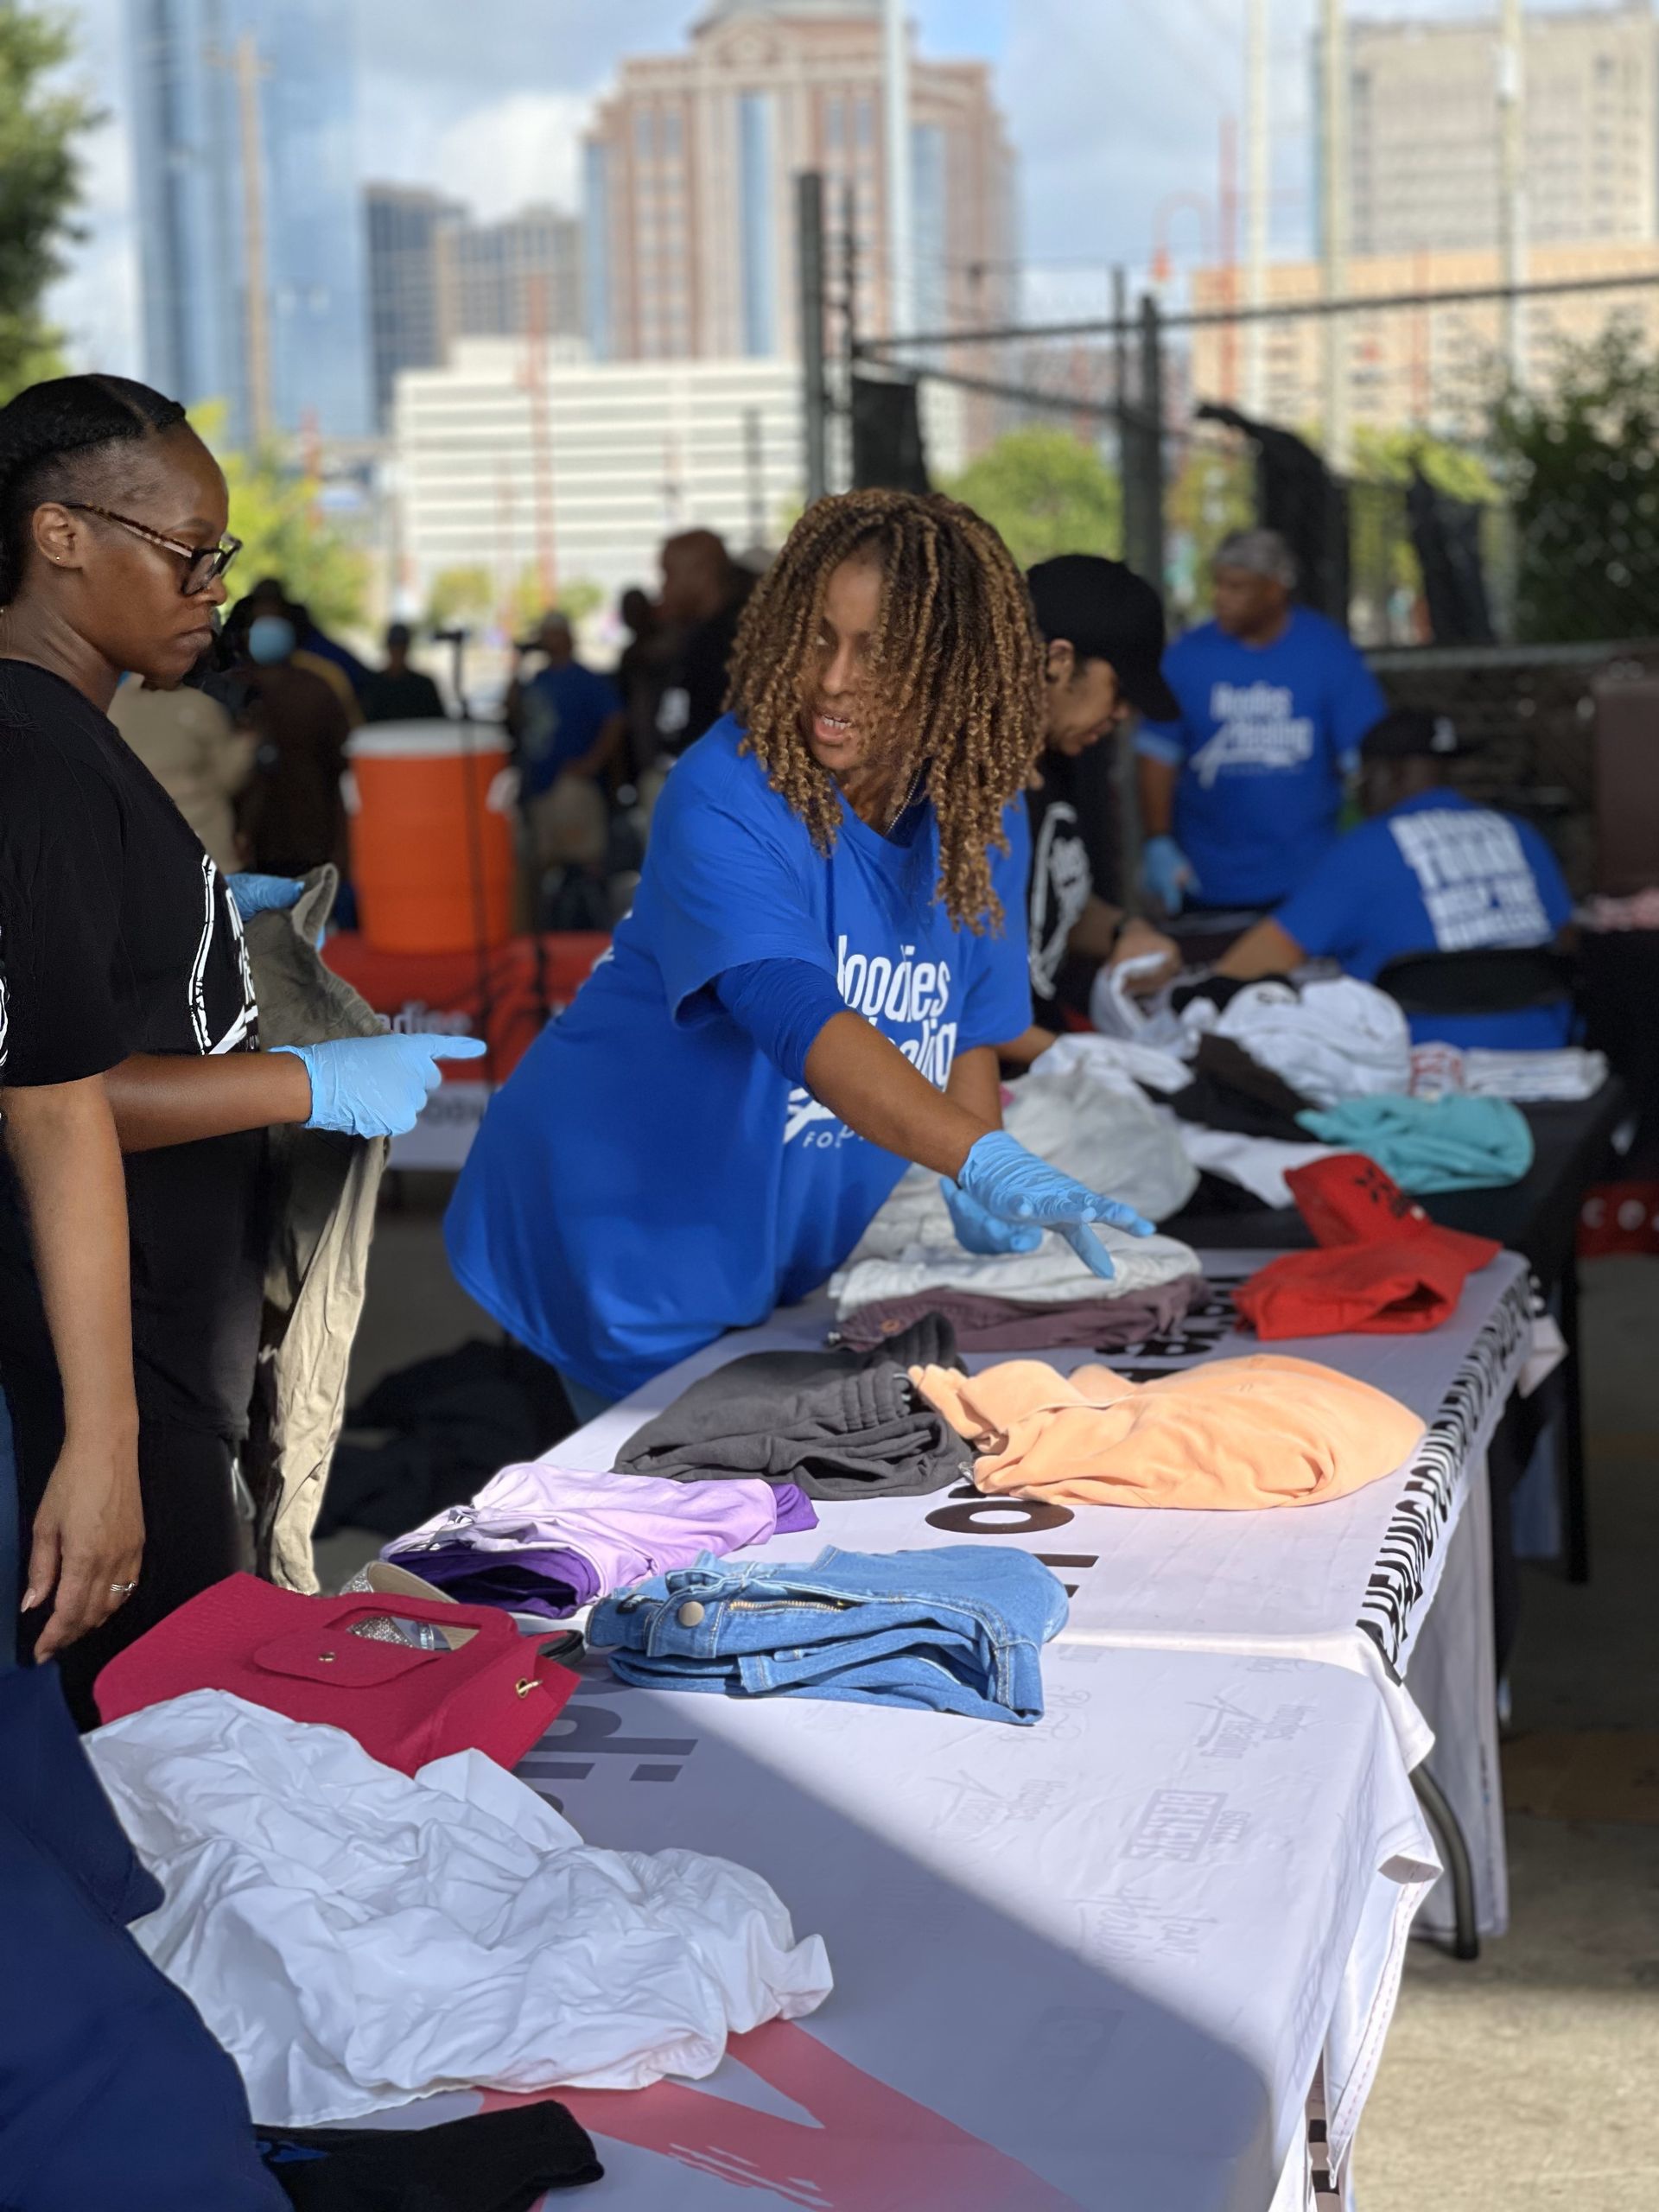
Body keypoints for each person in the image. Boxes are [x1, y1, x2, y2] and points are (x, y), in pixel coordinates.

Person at [446, 489, 1155, 1413]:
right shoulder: (727, 790)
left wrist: (974, 1157)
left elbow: (969, 1025)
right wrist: (978, 1158)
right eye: (820, 638)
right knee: (674, 1523)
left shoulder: (983, 808)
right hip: (623, 1233)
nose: (831, 678)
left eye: (878, 654)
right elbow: (792, 1011)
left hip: (758, 1250)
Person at [0, 372, 481, 1716]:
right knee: (157, 1756)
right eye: (187, 551)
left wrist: (212, 921)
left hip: (165, 1356)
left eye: (223, 555)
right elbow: (52, 1096)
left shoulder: (80, 735)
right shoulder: (31, 755)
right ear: (61, 536)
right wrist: (309, 1080)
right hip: (104, 1372)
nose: (214, 585)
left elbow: (86, 986)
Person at [1214, 707, 1575, 1049]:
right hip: (1544, 1053)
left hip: (1411, 1071)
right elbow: (1567, 943)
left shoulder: (1364, 851)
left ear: (1388, 774)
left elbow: (1248, 966)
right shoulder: (1521, 835)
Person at [1135, 527, 1386, 914]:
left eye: (1237, 588)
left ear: (1274, 590)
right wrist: (1158, 841)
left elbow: (1370, 757)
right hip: (1207, 879)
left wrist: (1366, 842)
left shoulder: (1327, 652)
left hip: (1309, 877)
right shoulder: (1188, 656)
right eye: (1218, 585)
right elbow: (1157, 755)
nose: (1221, 599)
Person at [1011, 554, 1183, 1056]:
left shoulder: (1061, 756)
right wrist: (1087, 1063)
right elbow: (963, 1005)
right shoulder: (969, 786)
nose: (1123, 714)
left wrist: (1125, 931)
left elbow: (1047, 904)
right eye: (1120, 691)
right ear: (1059, 663)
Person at [505, 611, 627, 875]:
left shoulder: (587, 680)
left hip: (572, 784)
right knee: (543, 864)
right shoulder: (538, 680)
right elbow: (512, 712)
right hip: (538, 785)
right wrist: (517, 665)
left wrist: (593, 762)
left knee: (584, 862)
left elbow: (615, 721)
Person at [238, 601, 354, 874]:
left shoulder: (318, 686)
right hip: (261, 836)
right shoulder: (234, 686)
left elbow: (342, 762)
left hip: (302, 832)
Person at [106, 671, 255, 870]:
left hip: (143, 843)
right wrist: (247, 745)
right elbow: (228, 777)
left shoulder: (111, 704)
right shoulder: (198, 704)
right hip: (203, 837)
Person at [653, 527, 754, 756]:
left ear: (701, 574)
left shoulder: (727, 643)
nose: (664, 588)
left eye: (669, 574)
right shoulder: (700, 635)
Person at [361, 620, 446, 724]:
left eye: (401, 646)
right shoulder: (373, 685)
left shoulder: (424, 685)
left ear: (407, 647)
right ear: (388, 647)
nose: (398, 650)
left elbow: (438, 722)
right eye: (394, 645)